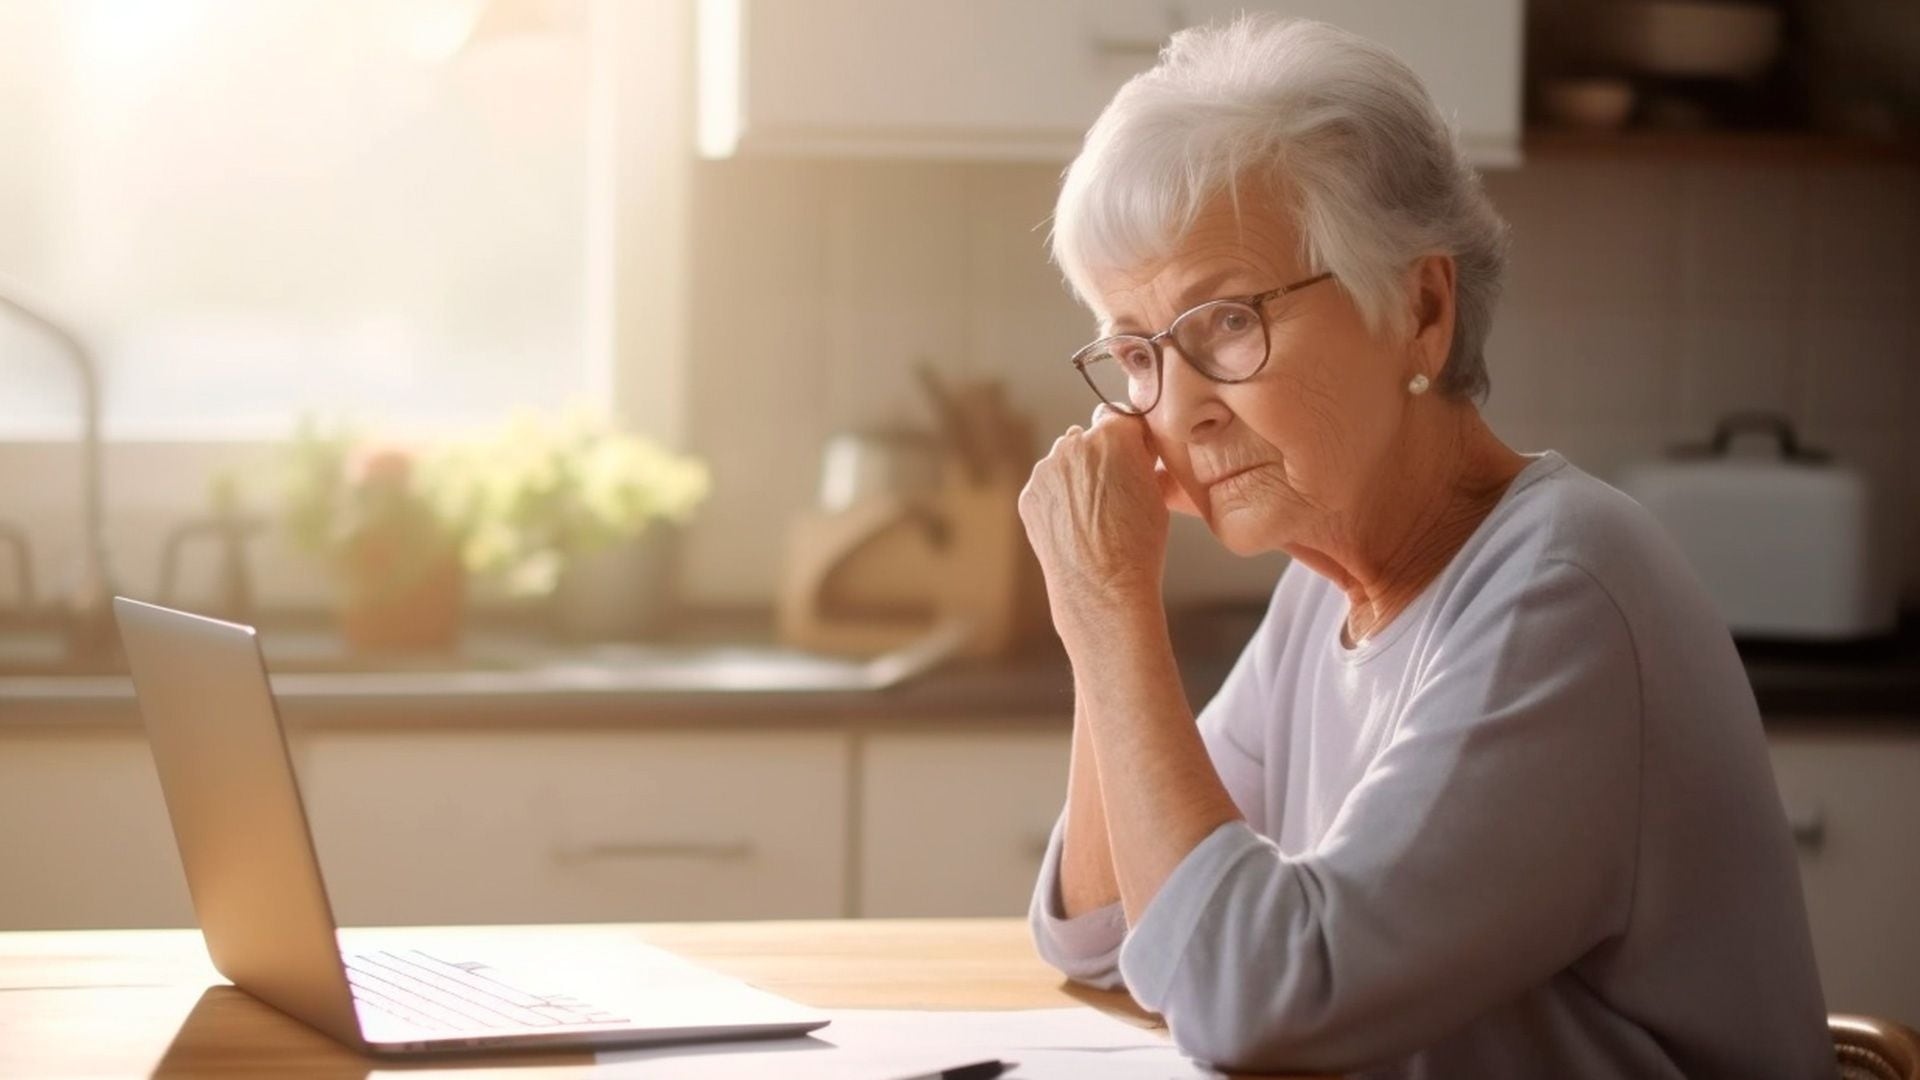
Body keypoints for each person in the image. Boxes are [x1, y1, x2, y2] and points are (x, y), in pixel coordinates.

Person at [1018, 14, 1829, 1078]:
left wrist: (1110, 607)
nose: (1180, 409)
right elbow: (1105, 927)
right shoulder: (1331, 590)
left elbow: (1262, 1003)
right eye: (1137, 352)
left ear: (1420, 309)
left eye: (1224, 323)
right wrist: (1098, 609)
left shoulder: (1562, 589)